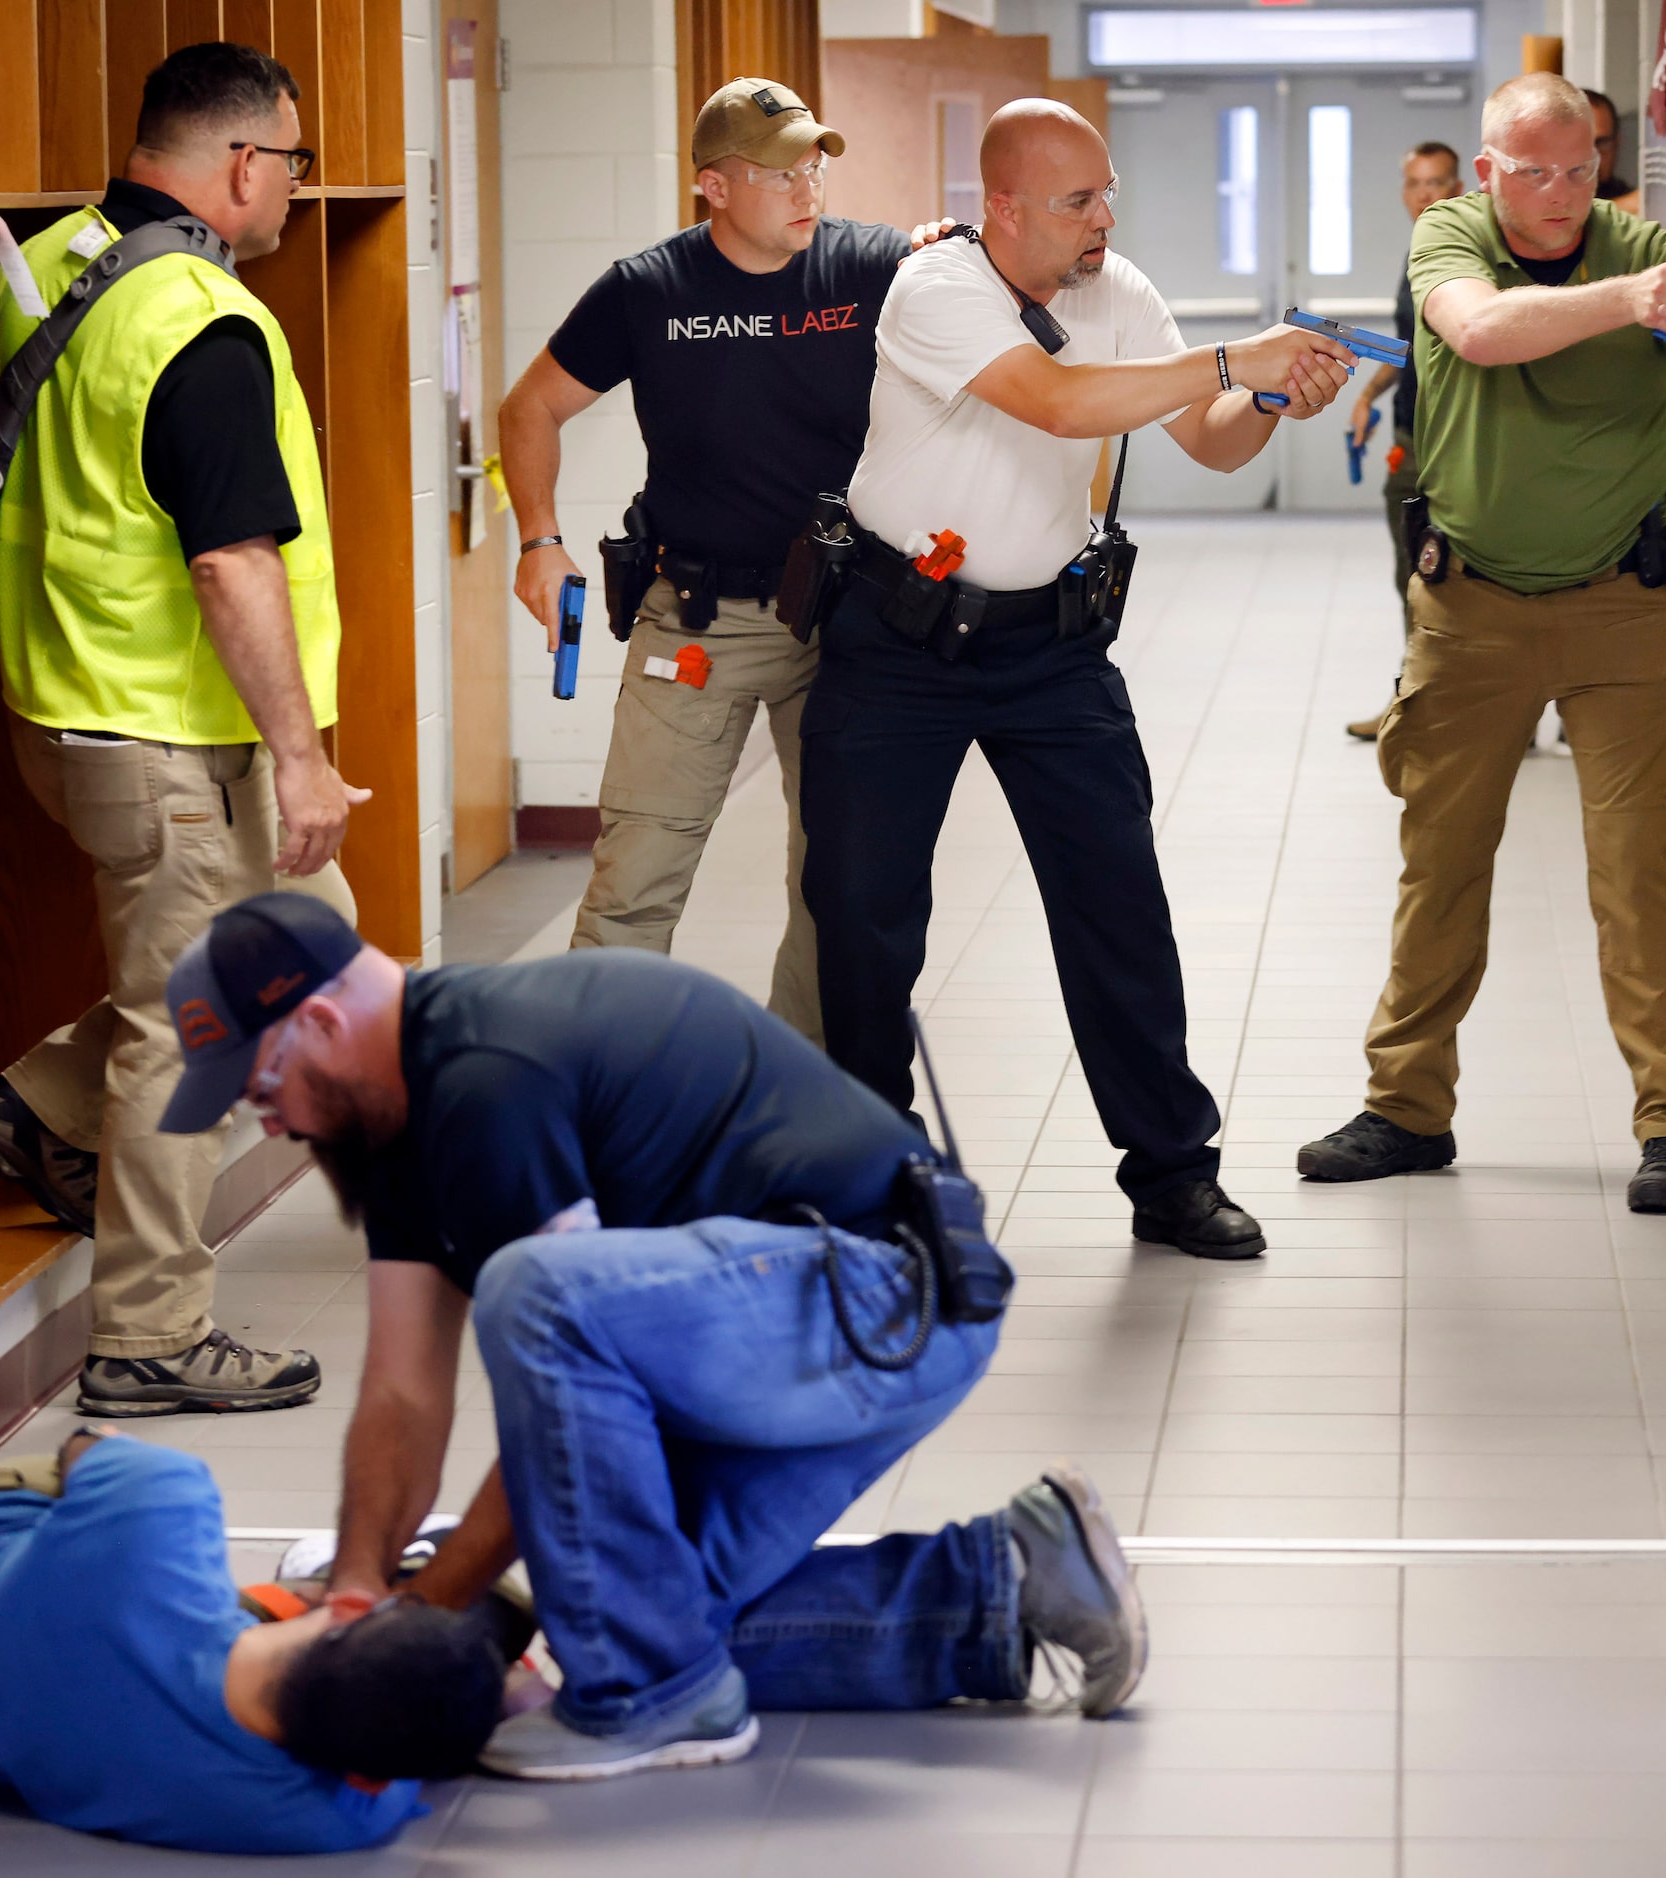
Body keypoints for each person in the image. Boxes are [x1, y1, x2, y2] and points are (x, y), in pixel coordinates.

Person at [153, 891, 1148, 1779]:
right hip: (800, 1324)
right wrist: (360, 1593)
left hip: (884, 1302)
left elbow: (558, 1354)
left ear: (321, 1020)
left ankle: (646, 1703)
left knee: (535, 1297)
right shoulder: (402, 1123)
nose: (271, 1124)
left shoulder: (484, 1081)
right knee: (646, 1615)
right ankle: (1012, 1580)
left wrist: (424, 1616)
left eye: (261, 1088)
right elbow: (400, 1398)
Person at [803, 99, 1352, 1262]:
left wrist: (1263, 395)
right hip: (897, 646)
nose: (1103, 219)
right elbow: (1056, 402)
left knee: (1118, 906)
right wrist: (1224, 358)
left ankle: (1172, 1175)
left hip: (1050, 652)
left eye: (1105, 194)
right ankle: (872, 1180)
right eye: (1075, 202)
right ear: (1002, 208)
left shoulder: (1117, 288)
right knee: (863, 921)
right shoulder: (938, 291)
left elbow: (1206, 438)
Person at [1297, 71, 1666, 1216]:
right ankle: (1406, 1110)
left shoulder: (1644, 243)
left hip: (1624, 604)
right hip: (1468, 609)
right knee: (1442, 863)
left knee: (1642, 875)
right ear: (1486, 172)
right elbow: (1479, 330)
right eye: (1533, 172)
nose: (1561, 194)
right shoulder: (1451, 235)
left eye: (1578, 169)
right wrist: (1631, 304)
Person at [0, 41, 365, 1416]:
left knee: (311, 943)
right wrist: (304, 754)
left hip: (78, 704)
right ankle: (148, 1335)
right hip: (158, 730)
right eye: (295, 164)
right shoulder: (202, 318)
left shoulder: (64, 260)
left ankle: (45, 1104)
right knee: (189, 1024)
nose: (296, 195)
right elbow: (231, 564)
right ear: (244, 163)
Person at [499, 79, 908, 1044]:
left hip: (841, 622)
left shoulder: (874, 266)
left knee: (837, 880)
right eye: (780, 173)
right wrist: (538, 540)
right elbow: (530, 408)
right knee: (635, 876)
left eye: (815, 166)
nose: (808, 189)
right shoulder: (649, 289)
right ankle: (596, 1096)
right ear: (713, 188)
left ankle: (803, 1087)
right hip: (695, 618)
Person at [0, 1425, 502, 1853]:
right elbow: (394, 1777)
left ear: (348, 1609)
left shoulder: (163, 1504)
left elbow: (85, 1445)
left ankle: (306, 1586)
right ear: (366, 1778)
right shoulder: (327, 1824)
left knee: (98, 1470)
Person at [1347, 140, 1466, 741]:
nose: (1426, 195)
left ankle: (1488, 713)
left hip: (1457, 443)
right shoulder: (1418, 250)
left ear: (1460, 184)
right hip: (1409, 433)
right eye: (1416, 184)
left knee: (1461, 577)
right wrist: (1368, 395)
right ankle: (1415, 702)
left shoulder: (1469, 252)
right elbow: (1409, 347)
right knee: (1411, 574)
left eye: (1438, 182)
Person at [1584, 88, 1638, 203]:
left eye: (1602, 143)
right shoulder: (1544, 191)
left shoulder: (1625, 194)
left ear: (1617, 142)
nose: (1593, 157)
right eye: (1582, 144)